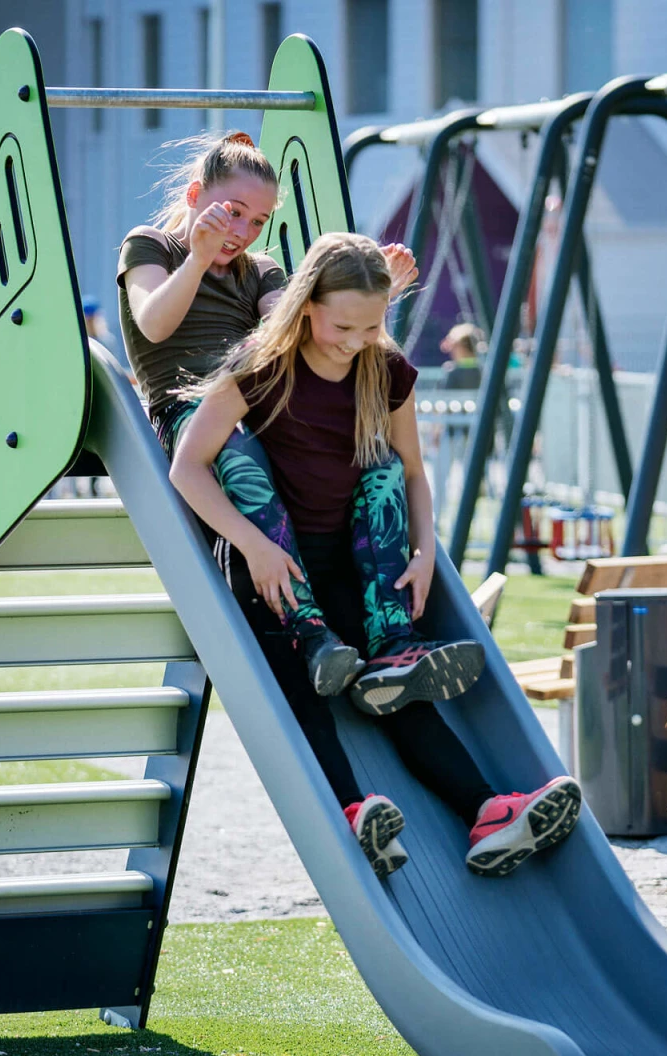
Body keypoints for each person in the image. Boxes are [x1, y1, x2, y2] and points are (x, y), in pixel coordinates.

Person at [171, 232, 580, 879]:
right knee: (303, 687)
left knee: (396, 687)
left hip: (350, 567)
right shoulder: (259, 365)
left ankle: (488, 811)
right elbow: (186, 468)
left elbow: (414, 473)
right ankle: (347, 810)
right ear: (306, 306)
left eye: (372, 325)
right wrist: (253, 548)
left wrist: (423, 552)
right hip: (274, 569)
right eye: (344, 325)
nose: (356, 340)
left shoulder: (383, 369)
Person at [118, 130, 455, 705]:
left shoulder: (262, 271)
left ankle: (391, 631)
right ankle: (310, 631)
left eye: (258, 221)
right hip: (192, 408)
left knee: (369, 464)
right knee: (240, 452)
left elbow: (295, 331)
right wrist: (198, 259)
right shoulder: (151, 247)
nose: (243, 233)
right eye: (233, 213)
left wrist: (374, 292)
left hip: (256, 402)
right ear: (198, 195)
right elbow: (153, 323)